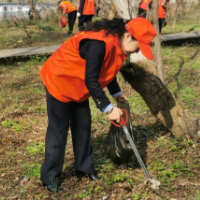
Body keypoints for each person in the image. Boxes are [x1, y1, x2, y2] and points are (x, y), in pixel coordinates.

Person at [40, 17, 157, 193]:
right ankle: (50, 176)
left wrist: (116, 92)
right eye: (138, 46)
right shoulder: (98, 43)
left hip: (78, 86)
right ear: (127, 37)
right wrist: (108, 108)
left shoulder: (116, 44)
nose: (137, 51)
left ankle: (84, 168)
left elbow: (107, 69)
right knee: (59, 130)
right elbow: (92, 79)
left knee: (83, 126)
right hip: (60, 81)